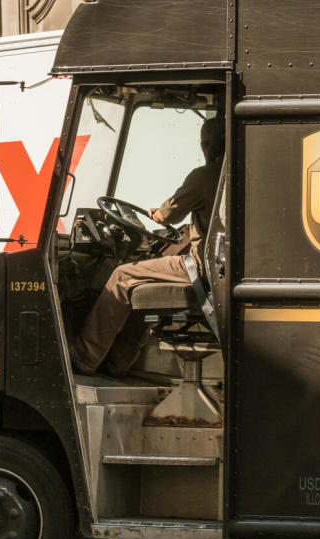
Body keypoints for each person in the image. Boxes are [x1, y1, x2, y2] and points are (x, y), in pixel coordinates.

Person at [69, 116, 225, 376]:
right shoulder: (237, 172)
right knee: (140, 285)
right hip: (218, 267)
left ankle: (85, 357)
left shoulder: (205, 176)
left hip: (201, 267)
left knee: (122, 276)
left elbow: (167, 215)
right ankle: (118, 363)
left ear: (207, 146)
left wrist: (154, 214)